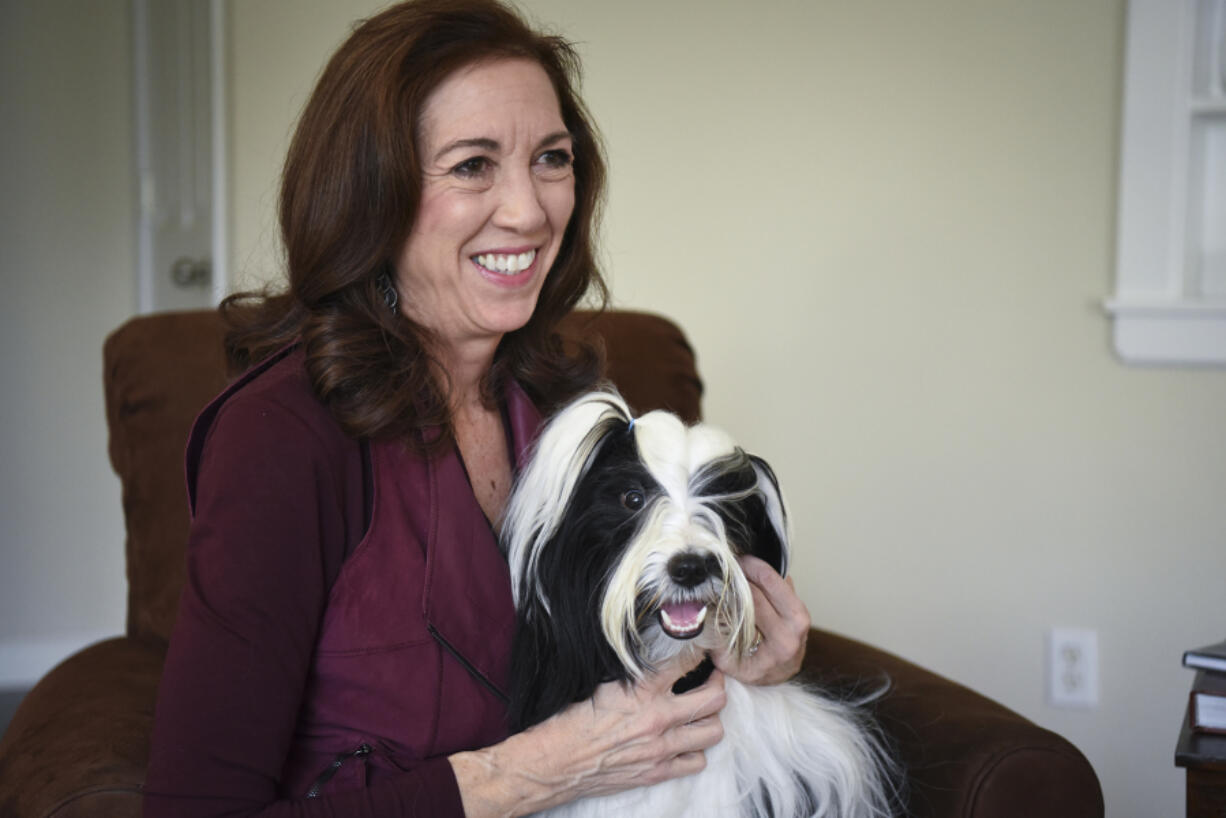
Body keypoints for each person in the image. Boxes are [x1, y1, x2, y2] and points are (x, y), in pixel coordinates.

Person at [143, 1, 811, 815]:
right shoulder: (282, 437)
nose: (529, 212)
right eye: (472, 165)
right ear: (371, 191)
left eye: (551, 159)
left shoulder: (576, 413)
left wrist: (739, 648)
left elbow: (632, 670)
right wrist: (520, 775)